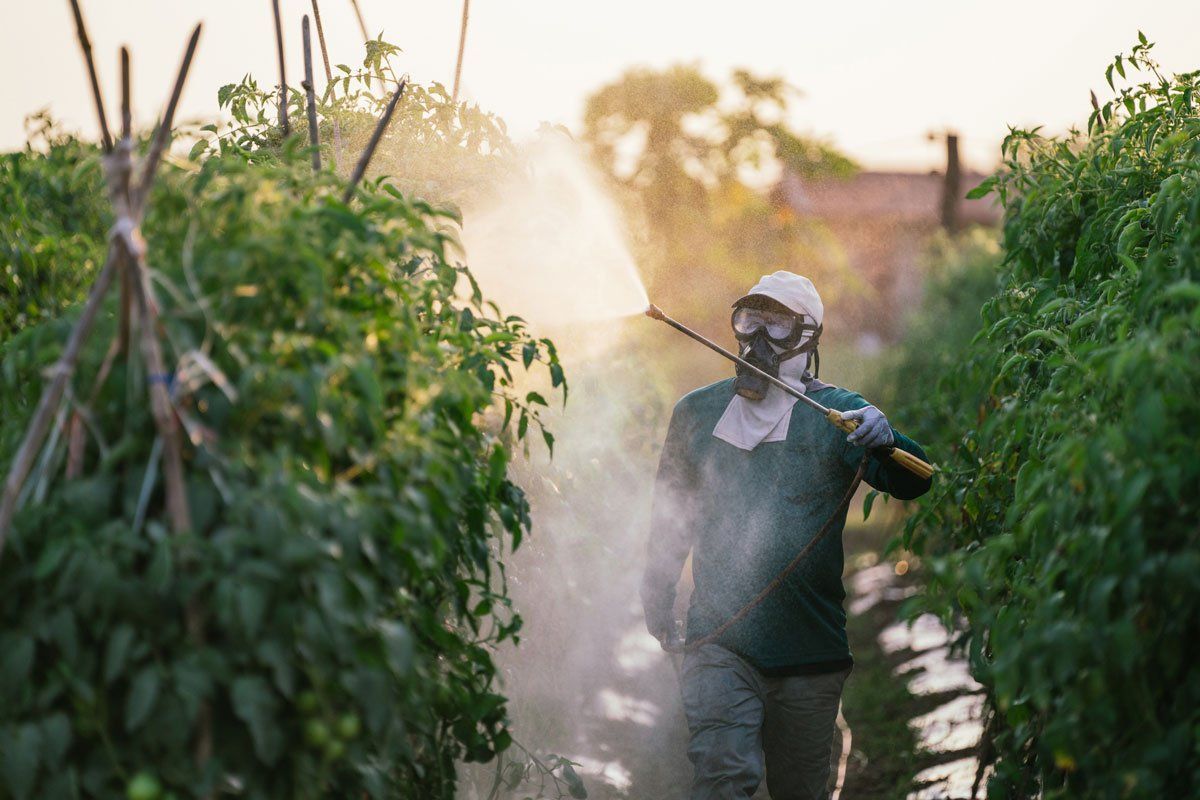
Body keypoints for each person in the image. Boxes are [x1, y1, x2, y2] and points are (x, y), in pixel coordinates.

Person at [641, 271, 932, 800]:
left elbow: (915, 481)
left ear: (808, 338)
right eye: (750, 321)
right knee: (723, 780)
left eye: (776, 327)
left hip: (809, 651)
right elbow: (670, 515)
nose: (757, 340)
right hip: (720, 643)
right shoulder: (696, 414)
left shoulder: (836, 418)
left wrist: (886, 438)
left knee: (801, 790)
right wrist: (657, 596)